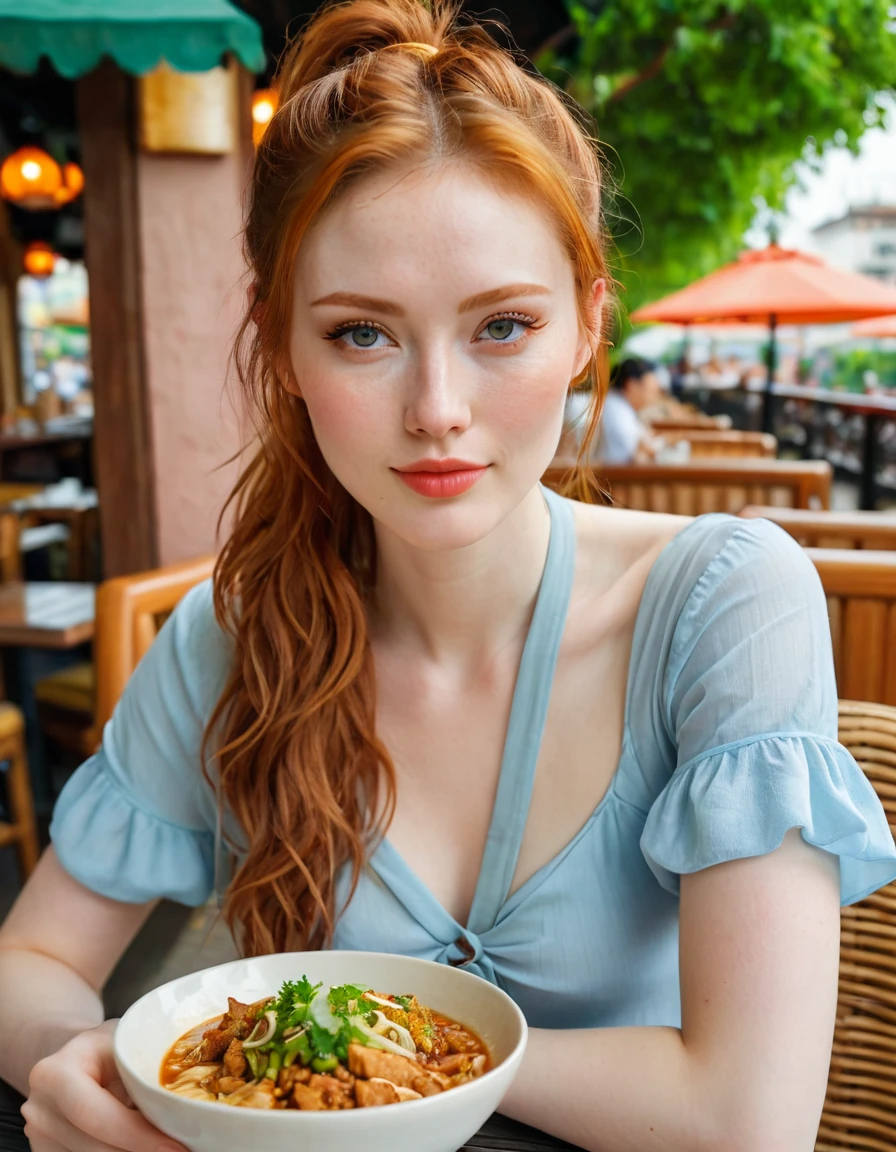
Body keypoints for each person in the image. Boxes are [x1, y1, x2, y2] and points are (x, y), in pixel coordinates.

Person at [2, 2, 896, 1150]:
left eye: (502, 326)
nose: (436, 412)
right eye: (362, 335)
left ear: (586, 326)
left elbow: (743, 1120)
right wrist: (64, 1058)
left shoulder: (721, 600)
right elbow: (29, 959)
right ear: (280, 348)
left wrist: (380, 1050)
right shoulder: (233, 631)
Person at [594, 357, 664, 463]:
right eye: (650, 390)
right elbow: (628, 458)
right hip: (612, 475)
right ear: (631, 385)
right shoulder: (616, 411)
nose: (652, 397)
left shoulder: (617, 405)